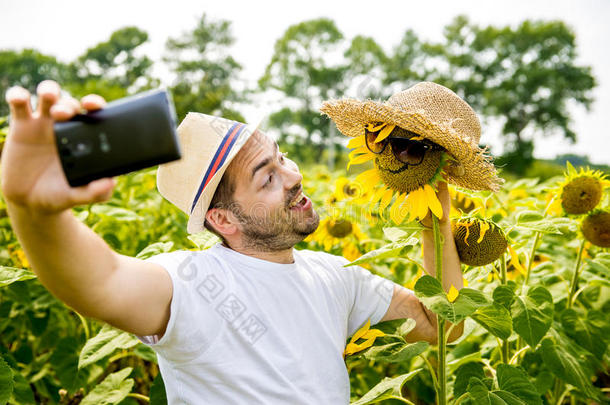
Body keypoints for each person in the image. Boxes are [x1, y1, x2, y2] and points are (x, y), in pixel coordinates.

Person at [1, 80, 463, 404]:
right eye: (267, 178)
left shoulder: (335, 277)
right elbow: (100, 282)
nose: (293, 175)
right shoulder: (193, 282)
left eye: (281, 157)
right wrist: (31, 209)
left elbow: (440, 323)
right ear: (222, 219)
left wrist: (433, 215)